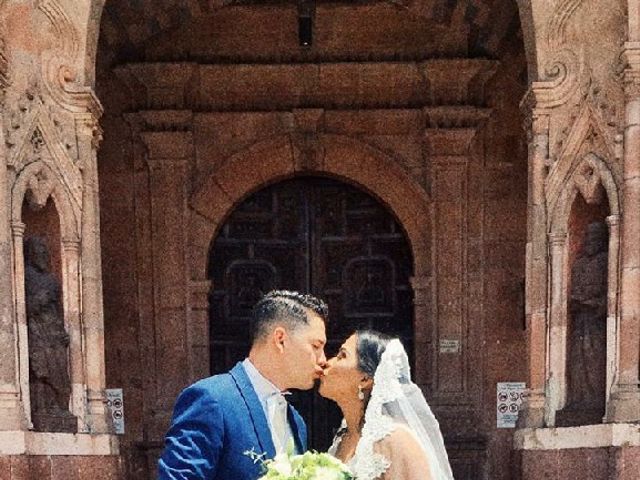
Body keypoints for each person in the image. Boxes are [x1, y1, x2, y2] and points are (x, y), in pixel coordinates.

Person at [158, 290, 328, 479]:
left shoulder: (297, 422)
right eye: (316, 346)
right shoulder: (212, 399)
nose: (323, 360)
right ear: (280, 340)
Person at [319, 330, 454, 480]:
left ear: (365, 379)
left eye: (342, 356)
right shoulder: (342, 439)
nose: (327, 362)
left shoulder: (397, 440)